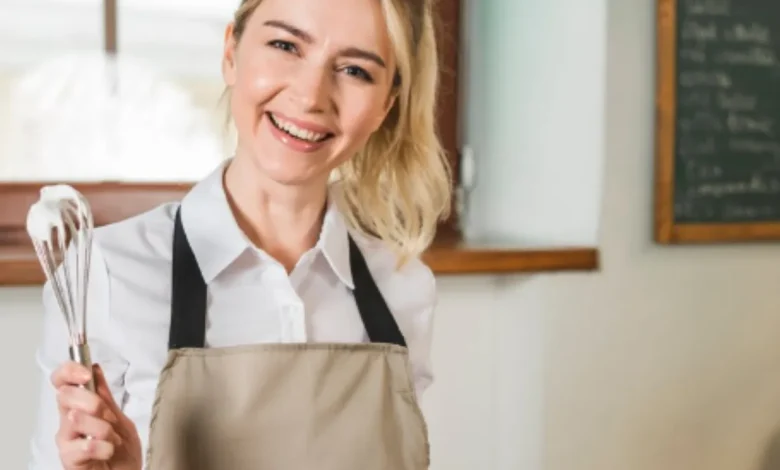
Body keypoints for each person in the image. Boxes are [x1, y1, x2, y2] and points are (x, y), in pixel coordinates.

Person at [27, 0, 451, 468]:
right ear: (231, 52)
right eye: (285, 45)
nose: (311, 96)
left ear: (385, 105)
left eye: (354, 70)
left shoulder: (403, 286)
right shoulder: (106, 275)